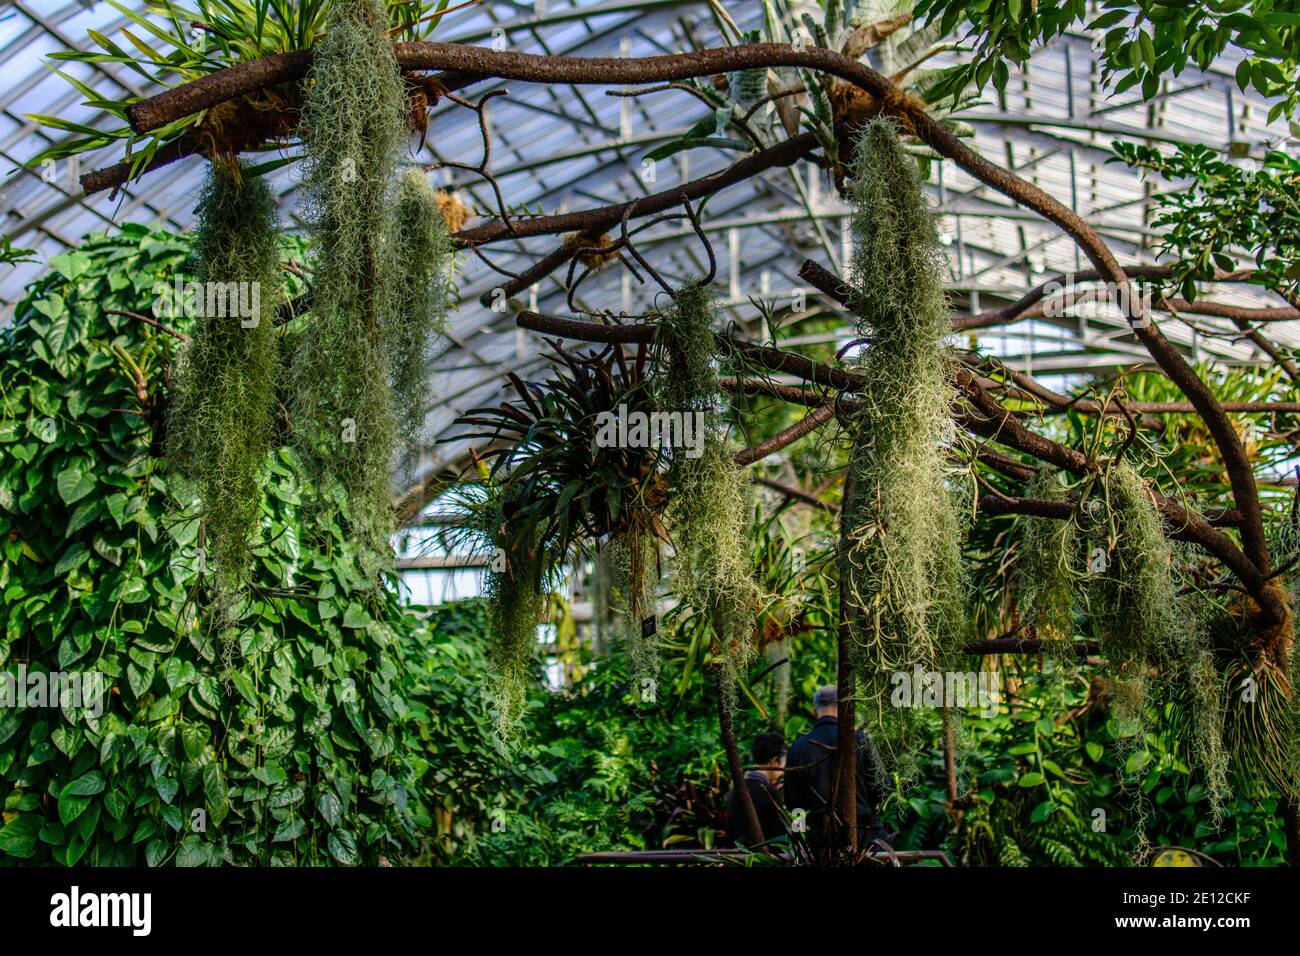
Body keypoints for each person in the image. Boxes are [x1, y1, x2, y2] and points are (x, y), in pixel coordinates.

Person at [783, 684, 891, 847]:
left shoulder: (797, 748)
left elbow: (794, 805)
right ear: (846, 710)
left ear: (814, 712)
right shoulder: (861, 740)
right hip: (865, 838)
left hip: (821, 842)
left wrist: (801, 843)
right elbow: (883, 787)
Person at [725, 731, 786, 845]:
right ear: (774, 761)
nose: (783, 771)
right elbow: (780, 833)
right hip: (766, 856)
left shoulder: (734, 789)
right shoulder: (768, 792)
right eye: (783, 764)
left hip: (739, 854)